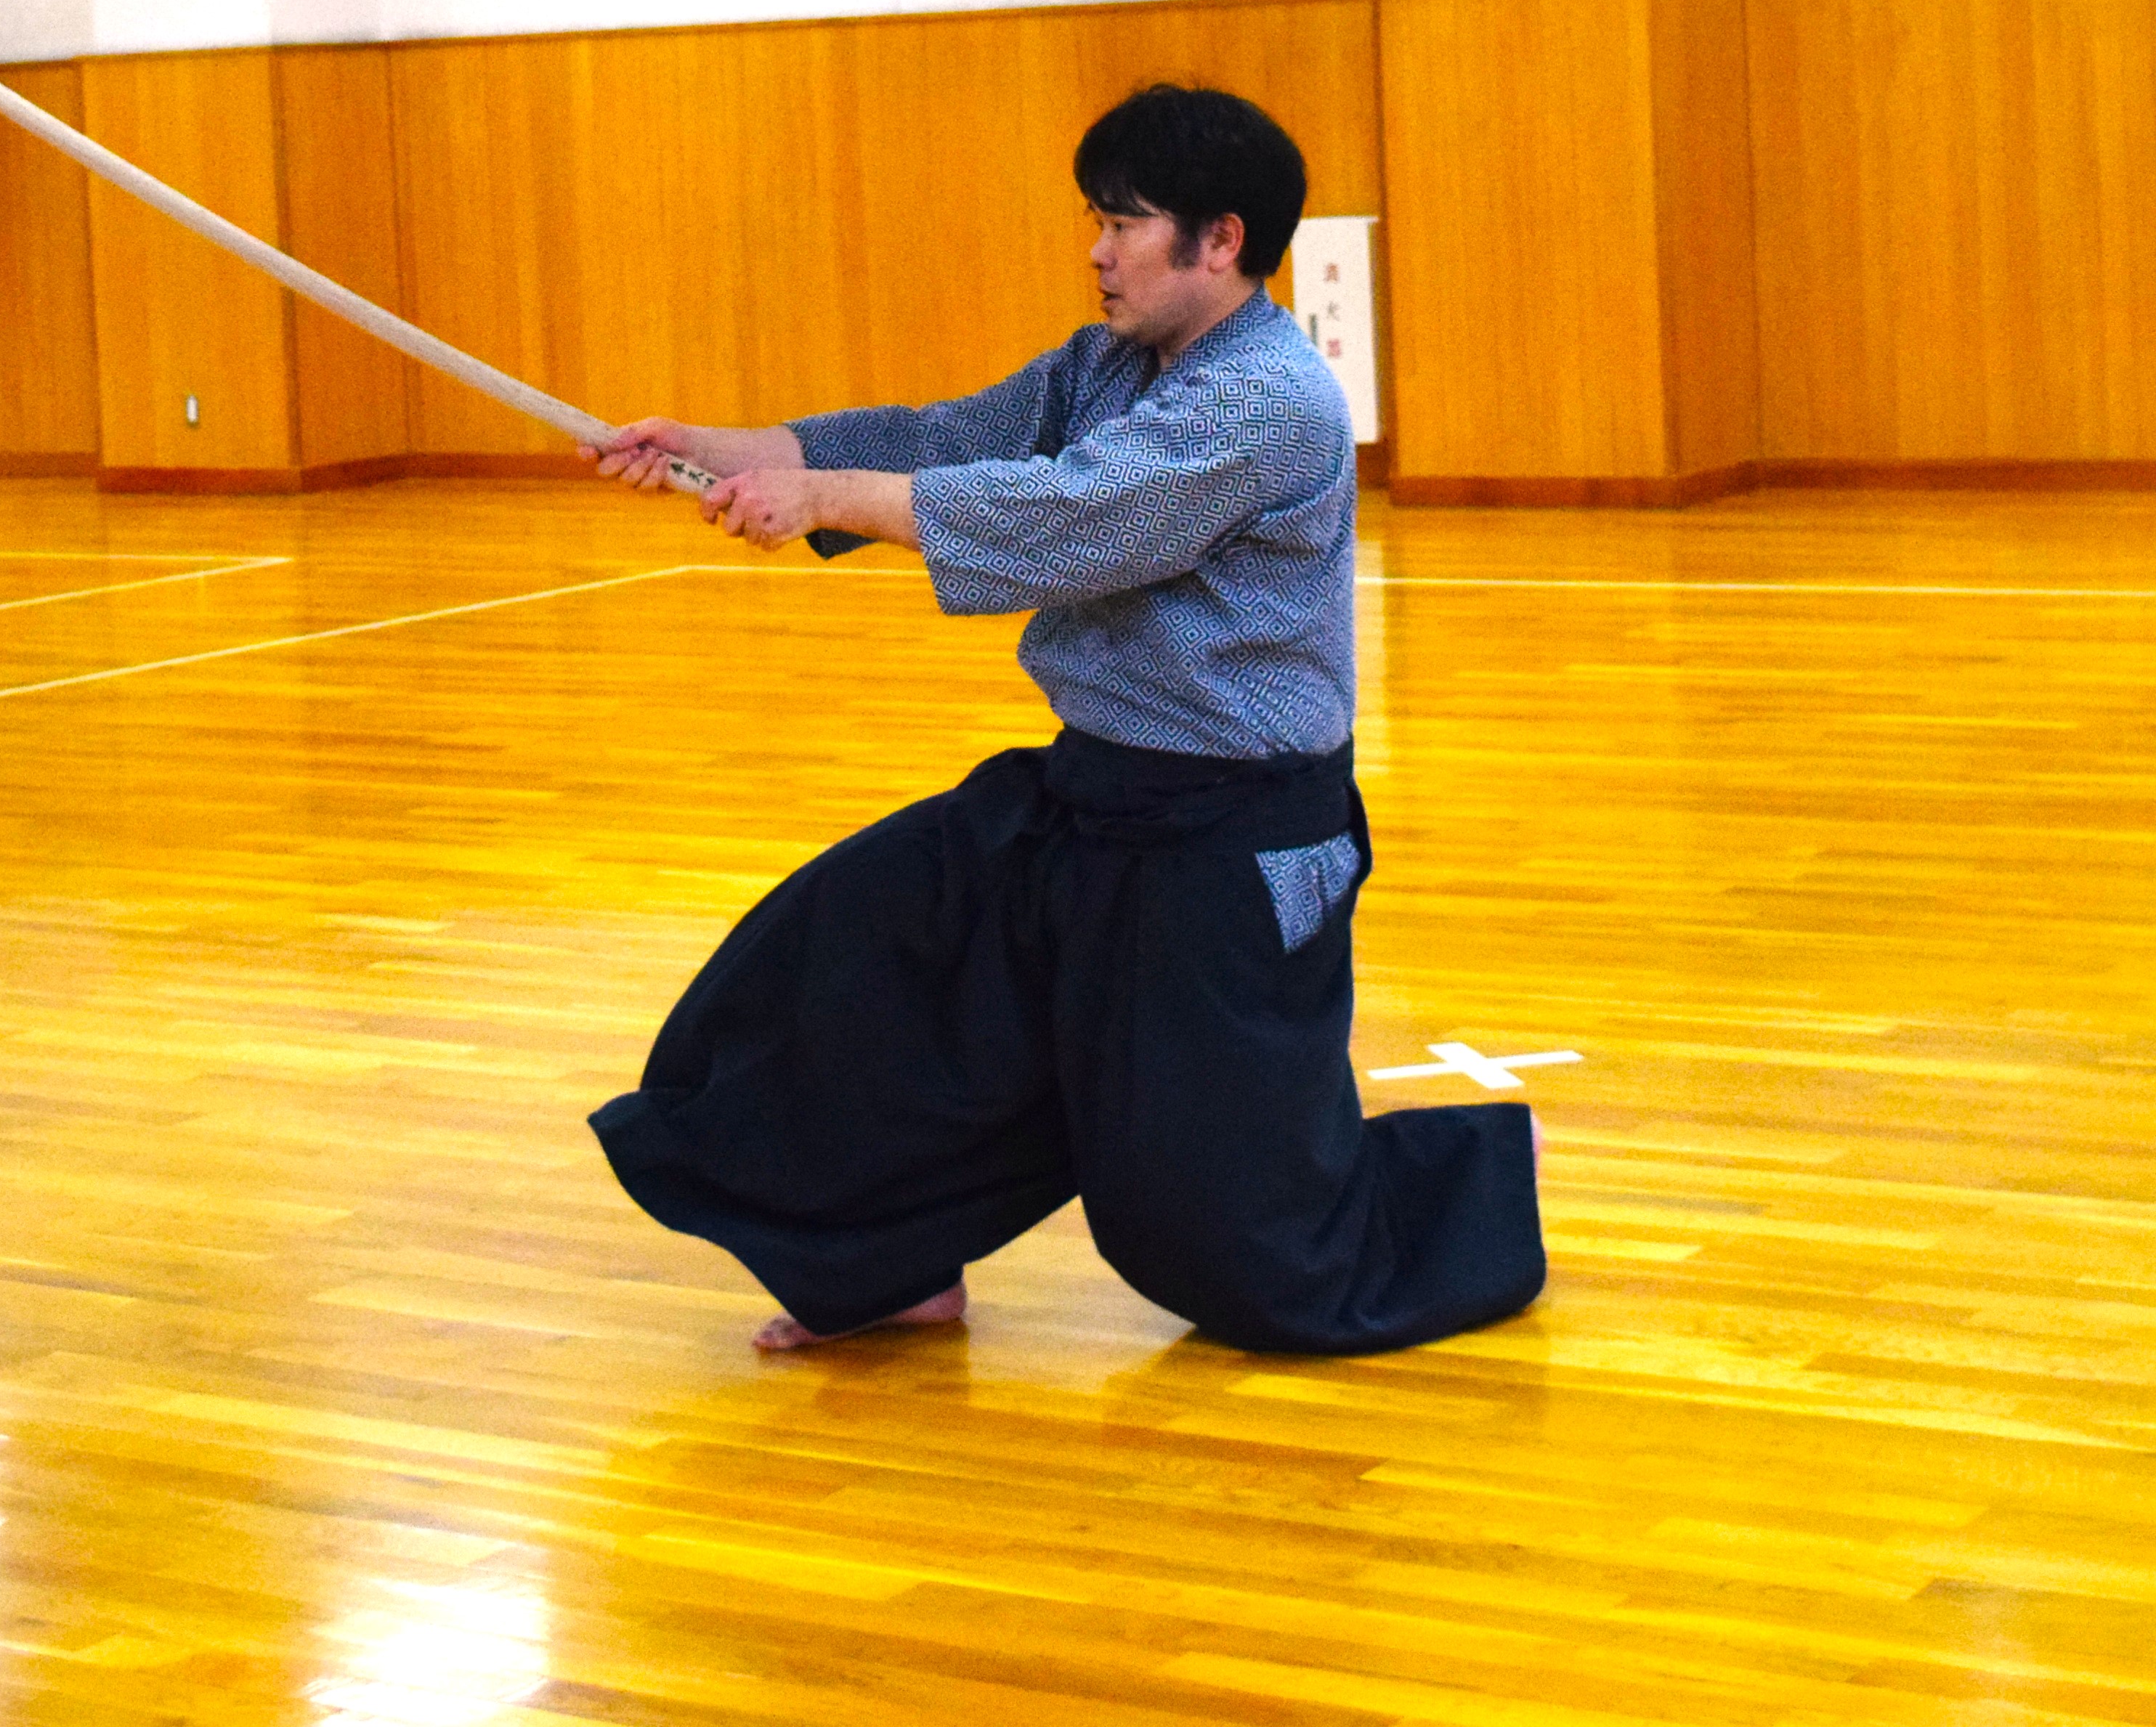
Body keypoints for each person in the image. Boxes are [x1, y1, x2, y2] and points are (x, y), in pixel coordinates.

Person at [580, 84, 1544, 1357]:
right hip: (1087, 801)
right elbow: (945, 440)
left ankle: (1477, 1178)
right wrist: (724, 447)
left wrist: (820, 498)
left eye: (1124, 224)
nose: (1097, 252)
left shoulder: (1268, 401)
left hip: (1230, 845)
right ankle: (888, 1267)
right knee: (841, 972)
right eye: (1096, 220)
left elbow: (1068, 517)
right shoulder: (1109, 366)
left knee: (1234, 1248)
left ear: (1221, 240)